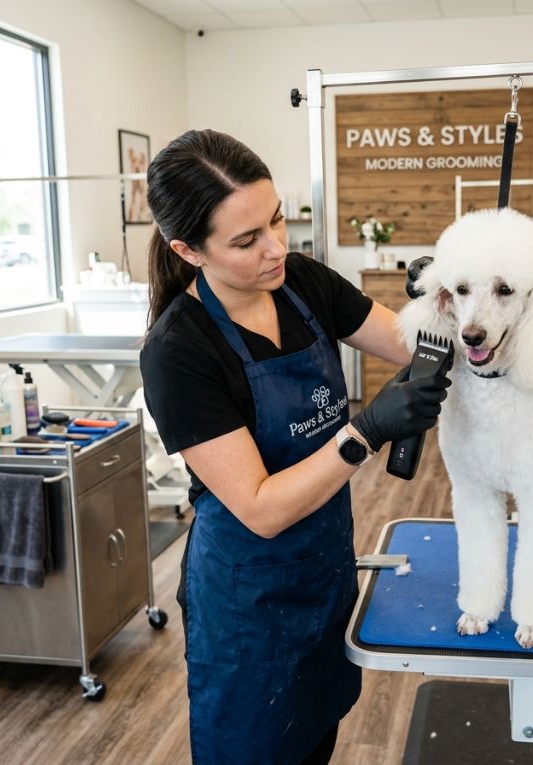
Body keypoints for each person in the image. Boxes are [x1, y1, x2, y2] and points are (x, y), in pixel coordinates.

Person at [139, 129, 451, 765]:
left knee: (315, 741)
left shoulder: (300, 282)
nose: (275, 248)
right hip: (247, 601)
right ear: (188, 250)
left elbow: (409, 344)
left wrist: (464, 303)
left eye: (276, 219)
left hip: (323, 566)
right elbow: (260, 507)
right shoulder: (179, 353)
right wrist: (364, 433)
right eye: (246, 240)